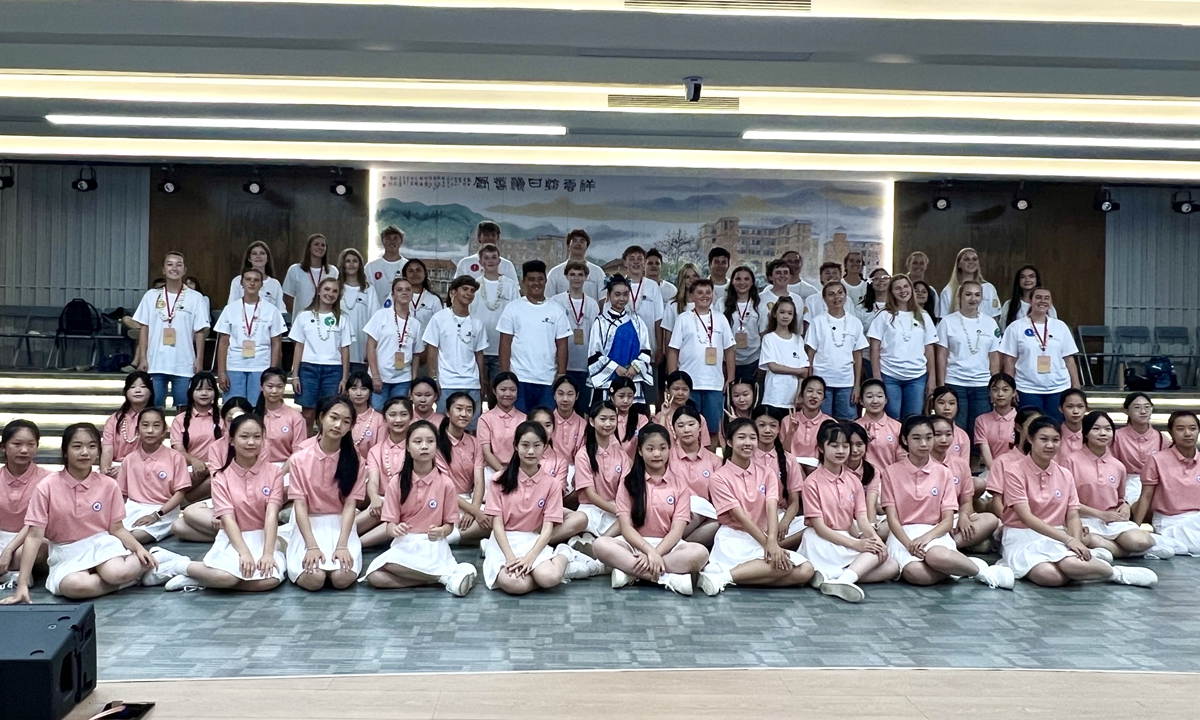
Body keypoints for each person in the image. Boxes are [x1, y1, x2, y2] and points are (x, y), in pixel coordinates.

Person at [1, 424, 156, 603]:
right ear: (65, 451)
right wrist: (21, 585)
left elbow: (117, 528)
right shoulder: (47, 486)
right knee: (74, 587)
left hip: (101, 543)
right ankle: (130, 581)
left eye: (91, 446)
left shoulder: (109, 485)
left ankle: (148, 560)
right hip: (65, 550)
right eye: (77, 446)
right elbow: (34, 536)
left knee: (116, 572)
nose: (85, 452)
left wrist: (139, 548)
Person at [1001, 417, 1157, 588]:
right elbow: (1026, 518)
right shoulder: (1014, 472)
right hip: (1022, 535)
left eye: (1055, 440)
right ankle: (1096, 568)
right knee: (1050, 577)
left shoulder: (1064, 474)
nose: (1050, 445)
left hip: (1057, 532)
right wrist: (1068, 540)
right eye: (1043, 439)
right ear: (1030, 439)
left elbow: (1073, 514)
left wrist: (1076, 542)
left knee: (1071, 564)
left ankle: (1117, 574)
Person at [156, 414, 287, 593]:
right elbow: (228, 519)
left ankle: (201, 579)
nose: (251, 442)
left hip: (263, 537)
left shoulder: (274, 473)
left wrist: (268, 553)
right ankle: (179, 566)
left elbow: (271, 514)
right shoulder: (221, 477)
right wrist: (245, 553)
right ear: (231, 440)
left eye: (257, 437)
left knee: (269, 580)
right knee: (227, 576)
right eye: (244, 436)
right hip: (233, 538)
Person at [883, 416, 1012, 588]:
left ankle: (982, 573)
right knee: (915, 573)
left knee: (935, 555)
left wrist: (926, 537)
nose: (924, 443)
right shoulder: (890, 473)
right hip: (902, 535)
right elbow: (892, 519)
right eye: (916, 438)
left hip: (934, 531)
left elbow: (948, 520)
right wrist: (909, 544)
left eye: (929, 437)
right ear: (905, 439)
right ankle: (963, 567)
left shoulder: (943, 473)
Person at [696, 418, 815, 595]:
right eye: (741, 437)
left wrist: (772, 541)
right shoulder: (719, 478)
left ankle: (726, 577)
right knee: (781, 567)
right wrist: (769, 545)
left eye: (752, 438)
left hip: (763, 536)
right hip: (735, 538)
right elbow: (740, 517)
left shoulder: (766, 473)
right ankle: (738, 575)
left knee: (806, 570)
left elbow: (771, 508)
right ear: (729, 441)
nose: (748, 443)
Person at [362, 420, 478, 595]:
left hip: (432, 544)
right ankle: (443, 578)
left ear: (436, 447)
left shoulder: (446, 483)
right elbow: (390, 525)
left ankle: (439, 576)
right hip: (405, 544)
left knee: (389, 566)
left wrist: (440, 532)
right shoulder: (397, 482)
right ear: (407, 447)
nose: (424, 446)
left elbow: (449, 525)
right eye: (418, 442)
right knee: (375, 577)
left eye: (430, 441)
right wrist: (396, 529)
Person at [482, 421, 600, 593]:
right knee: (514, 584)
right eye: (525, 445)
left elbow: (547, 529)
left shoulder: (551, 484)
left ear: (545, 447)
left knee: (549, 578)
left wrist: (530, 558)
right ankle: (539, 575)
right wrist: (510, 558)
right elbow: (497, 525)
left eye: (537, 445)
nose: (531, 451)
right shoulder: (499, 480)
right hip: (504, 541)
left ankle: (564, 554)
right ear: (515, 446)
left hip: (533, 539)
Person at [799, 421, 897, 602]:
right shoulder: (811, 483)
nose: (841, 450)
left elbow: (862, 519)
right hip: (821, 539)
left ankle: (838, 578)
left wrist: (875, 540)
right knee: (872, 556)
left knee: (891, 565)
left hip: (846, 537)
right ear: (821, 447)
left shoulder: (853, 481)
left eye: (845, 446)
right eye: (834, 445)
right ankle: (843, 577)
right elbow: (820, 528)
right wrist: (857, 545)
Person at [286, 396, 366, 591]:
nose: (338, 425)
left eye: (346, 421)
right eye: (334, 418)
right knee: (314, 580)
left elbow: (349, 505)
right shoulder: (299, 459)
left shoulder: (356, 461)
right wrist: (312, 546)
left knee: (341, 578)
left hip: (341, 526)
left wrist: (342, 545)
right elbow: (300, 505)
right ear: (321, 418)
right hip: (309, 526)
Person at [1065, 411, 1159, 559]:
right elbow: (1066, 501)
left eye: (1108, 429)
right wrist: (1101, 514)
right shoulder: (1070, 461)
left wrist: (1126, 505)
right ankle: (1125, 552)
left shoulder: (1118, 466)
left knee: (1142, 541)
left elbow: (1120, 498)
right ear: (1086, 433)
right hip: (1082, 518)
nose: (1103, 433)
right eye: (1096, 429)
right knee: (1087, 538)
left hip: (1112, 520)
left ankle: (1118, 550)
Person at [133, 252, 209, 408]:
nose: (174, 268)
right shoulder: (151, 296)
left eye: (178, 264)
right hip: (155, 362)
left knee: (183, 408)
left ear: (185, 269)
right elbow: (144, 328)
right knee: (153, 407)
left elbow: (200, 331)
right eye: (170, 264)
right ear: (163, 270)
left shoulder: (195, 298)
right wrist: (142, 357)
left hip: (184, 362)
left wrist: (199, 359)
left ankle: (181, 433)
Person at [667, 278, 734, 447]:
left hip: (714, 383)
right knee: (687, 427)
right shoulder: (683, 318)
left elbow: (729, 350)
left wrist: (730, 378)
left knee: (712, 429)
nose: (704, 296)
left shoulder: (720, 319)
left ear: (713, 295)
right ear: (692, 296)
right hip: (688, 383)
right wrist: (673, 379)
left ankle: (709, 463)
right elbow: (673, 350)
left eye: (708, 292)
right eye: (700, 292)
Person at [498, 260, 571, 413]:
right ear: (524, 281)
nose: (536, 283)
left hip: (547, 381)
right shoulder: (513, 308)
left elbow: (562, 345)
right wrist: (506, 376)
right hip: (519, 380)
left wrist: (561, 375)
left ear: (545, 281)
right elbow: (505, 343)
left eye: (540, 279)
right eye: (531, 280)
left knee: (544, 425)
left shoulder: (556, 310)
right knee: (519, 425)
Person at [935, 281, 1001, 447]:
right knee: (957, 428)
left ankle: (974, 468)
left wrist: (995, 386)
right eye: (968, 294)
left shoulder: (990, 323)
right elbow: (941, 355)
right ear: (960, 296)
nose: (973, 299)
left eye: (977, 295)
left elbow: (994, 357)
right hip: (955, 382)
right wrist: (941, 386)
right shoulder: (948, 322)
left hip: (982, 383)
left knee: (978, 429)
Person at [999, 286, 1080, 421]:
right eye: (1038, 297)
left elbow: (1069, 359)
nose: (1042, 301)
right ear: (1030, 301)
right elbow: (1009, 360)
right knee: (1030, 428)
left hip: (1058, 387)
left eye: (1046, 298)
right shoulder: (1016, 327)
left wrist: (1076, 385)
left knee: (1056, 428)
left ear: (1051, 302)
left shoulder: (1060, 326)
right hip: (1027, 388)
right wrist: (1010, 388)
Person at [868, 275, 937, 420]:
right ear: (891, 292)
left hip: (917, 376)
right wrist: (877, 377)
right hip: (889, 374)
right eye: (897, 288)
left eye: (906, 286)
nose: (903, 291)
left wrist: (932, 379)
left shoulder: (923, 316)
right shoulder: (883, 316)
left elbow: (929, 350)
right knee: (892, 417)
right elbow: (874, 349)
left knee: (913, 418)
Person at [116, 407, 189, 545]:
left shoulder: (175, 457)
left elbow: (180, 493)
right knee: (114, 534)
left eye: (156, 426)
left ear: (164, 431)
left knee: (137, 536)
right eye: (145, 425)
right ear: (137, 430)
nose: (150, 430)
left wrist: (156, 515)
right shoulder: (129, 459)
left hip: (163, 510)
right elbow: (122, 494)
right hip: (134, 507)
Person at [1133, 410, 1200, 555]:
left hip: (1197, 521)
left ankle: (1163, 544)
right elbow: (1146, 496)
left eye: (1193, 428)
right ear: (1171, 432)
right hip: (1169, 521)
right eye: (1180, 429)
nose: (1187, 433)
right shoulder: (1157, 460)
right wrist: (1133, 531)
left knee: (1181, 547)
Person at [215, 268, 285, 405]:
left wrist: (272, 372)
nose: (252, 283)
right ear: (241, 283)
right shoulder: (230, 309)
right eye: (248, 279)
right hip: (234, 366)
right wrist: (222, 372)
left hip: (261, 366)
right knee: (234, 408)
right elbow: (223, 342)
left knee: (258, 408)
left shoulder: (272, 310)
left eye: (256, 280)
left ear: (261, 284)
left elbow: (276, 344)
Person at [423, 276, 488, 423]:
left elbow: (479, 355)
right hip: (447, 383)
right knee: (443, 426)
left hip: (472, 384)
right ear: (453, 292)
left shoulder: (477, 323)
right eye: (465, 289)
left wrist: (482, 381)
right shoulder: (439, 318)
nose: (469, 294)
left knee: (471, 428)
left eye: (472, 291)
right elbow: (432, 350)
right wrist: (434, 379)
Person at [289, 277, 353, 427]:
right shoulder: (304, 316)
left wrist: (344, 378)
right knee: (308, 412)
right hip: (308, 368)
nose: (330, 293)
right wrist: (295, 375)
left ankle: (326, 445)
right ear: (318, 291)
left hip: (333, 370)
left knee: (330, 411)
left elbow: (345, 349)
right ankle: (305, 445)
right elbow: (299, 346)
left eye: (335, 291)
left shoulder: (343, 318)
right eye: (327, 289)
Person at [929, 416, 999, 550]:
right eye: (937, 435)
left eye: (948, 434)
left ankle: (948, 545)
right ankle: (948, 545)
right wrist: (944, 523)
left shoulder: (960, 464)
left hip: (955, 517)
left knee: (990, 520)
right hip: (929, 520)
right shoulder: (921, 464)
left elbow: (966, 501)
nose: (944, 440)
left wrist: (964, 516)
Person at [805, 282, 867, 420]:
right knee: (821, 421)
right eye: (831, 294)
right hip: (821, 381)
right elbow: (810, 354)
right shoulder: (817, 321)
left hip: (846, 382)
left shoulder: (855, 322)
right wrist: (809, 382)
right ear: (825, 298)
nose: (836, 297)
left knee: (847, 422)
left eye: (840, 292)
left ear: (845, 296)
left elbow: (858, 356)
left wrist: (857, 386)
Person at [570, 400, 626, 553]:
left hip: (615, 507)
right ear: (592, 421)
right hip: (591, 509)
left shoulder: (621, 455)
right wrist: (617, 510)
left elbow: (624, 488)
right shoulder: (583, 455)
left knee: (630, 518)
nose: (608, 423)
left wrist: (620, 509)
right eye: (603, 419)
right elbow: (590, 494)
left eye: (612, 419)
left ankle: (598, 545)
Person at [587, 275, 653, 403]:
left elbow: (646, 350)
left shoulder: (637, 322)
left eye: (625, 294)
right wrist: (615, 367)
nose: (621, 299)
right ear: (609, 295)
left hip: (632, 379)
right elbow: (594, 354)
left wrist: (635, 367)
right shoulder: (600, 322)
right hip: (607, 381)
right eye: (617, 294)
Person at [355, 397, 411, 548]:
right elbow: (373, 480)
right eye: (392, 414)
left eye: (403, 414)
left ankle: (356, 545)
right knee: (380, 506)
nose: (398, 419)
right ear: (385, 418)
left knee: (392, 510)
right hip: (383, 502)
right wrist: (373, 497)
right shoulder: (376, 450)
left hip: (410, 503)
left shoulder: (416, 446)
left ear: (411, 418)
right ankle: (344, 538)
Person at [0, 421, 50, 583]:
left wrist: (9, 549)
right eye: (17, 444)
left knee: (41, 547)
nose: (24, 450)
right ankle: (15, 573)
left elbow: (37, 523)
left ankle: (12, 572)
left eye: (30, 444)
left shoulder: (48, 480)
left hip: (29, 538)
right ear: (3, 447)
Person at [365, 277, 425, 409]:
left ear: (412, 294)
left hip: (403, 379)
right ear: (393, 295)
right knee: (377, 414)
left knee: (398, 413)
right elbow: (370, 346)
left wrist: (413, 382)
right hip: (381, 377)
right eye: (399, 290)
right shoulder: (381, 315)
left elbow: (416, 355)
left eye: (408, 290)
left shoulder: (416, 324)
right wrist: (375, 376)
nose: (404, 292)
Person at [750, 406, 805, 550]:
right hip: (752, 517)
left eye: (773, 426)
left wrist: (784, 523)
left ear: (779, 428)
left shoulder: (789, 459)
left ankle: (766, 547)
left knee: (809, 525)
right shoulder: (746, 456)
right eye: (761, 425)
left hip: (779, 515)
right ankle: (771, 548)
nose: (767, 430)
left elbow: (794, 502)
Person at [437, 393, 487, 545]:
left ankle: (451, 538)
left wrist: (475, 508)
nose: (464, 414)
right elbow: (445, 487)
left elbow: (479, 481)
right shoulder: (437, 443)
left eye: (469, 410)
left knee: (499, 516)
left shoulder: (474, 442)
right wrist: (475, 512)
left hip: (469, 501)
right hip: (445, 500)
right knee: (487, 521)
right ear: (447, 412)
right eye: (459, 409)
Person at [469, 244, 520, 389]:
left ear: (499, 261)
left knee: (500, 391)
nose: (490, 261)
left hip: (501, 350)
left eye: (494, 257)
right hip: (478, 349)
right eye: (486, 258)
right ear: (480, 262)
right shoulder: (474, 286)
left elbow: (516, 315)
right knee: (477, 389)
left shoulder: (510, 286)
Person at [551, 261, 601, 411]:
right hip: (562, 364)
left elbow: (596, 335)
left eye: (580, 275)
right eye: (572, 274)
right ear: (566, 276)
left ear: (586, 277)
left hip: (584, 363)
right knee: (561, 404)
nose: (576, 278)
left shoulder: (592, 304)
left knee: (583, 406)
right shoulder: (556, 301)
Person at [668, 405, 720, 546]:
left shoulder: (714, 460)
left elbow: (719, 495)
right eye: (680, 425)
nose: (686, 430)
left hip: (706, 515)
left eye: (691, 424)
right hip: (673, 511)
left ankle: (673, 547)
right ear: (673, 430)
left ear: (700, 427)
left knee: (718, 524)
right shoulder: (667, 457)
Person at [621, 246, 665, 404]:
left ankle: (650, 423)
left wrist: (660, 347)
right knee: (625, 395)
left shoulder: (652, 286)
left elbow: (659, 319)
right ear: (625, 262)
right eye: (631, 259)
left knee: (650, 397)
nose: (636, 262)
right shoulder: (618, 285)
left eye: (639, 259)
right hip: (624, 352)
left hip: (649, 350)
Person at [1111, 392, 1164, 505]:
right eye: (1137, 407)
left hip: (1155, 482)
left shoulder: (1161, 438)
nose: (1143, 411)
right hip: (1127, 481)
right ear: (1126, 411)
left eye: (1147, 407)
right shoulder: (1116, 437)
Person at [100, 371, 154, 477]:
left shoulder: (155, 418)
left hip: (144, 467)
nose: (138, 390)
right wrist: (105, 472)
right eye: (132, 387)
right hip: (115, 467)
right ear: (126, 392)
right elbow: (107, 449)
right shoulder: (114, 419)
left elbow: (153, 451)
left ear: (151, 391)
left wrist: (127, 468)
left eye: (143, 386)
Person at [758, 297, 808, 411]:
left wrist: (799, 394)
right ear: (775, 314)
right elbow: (773, 366)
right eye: (782, 312)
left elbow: (803, 371)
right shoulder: (769, 338)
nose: (786, 316)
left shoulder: (798, 339)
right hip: (774, 397)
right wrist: (796, 371)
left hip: (793, 398)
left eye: (790, 313)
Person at [337, 248, 380, 374]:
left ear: (360, 265)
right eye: (348, 261)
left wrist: (371, 349)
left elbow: (375, 320)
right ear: (343, 264)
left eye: (355, 261)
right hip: (338, 347)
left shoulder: (368, 289)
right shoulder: (336, 287)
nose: (351, 264)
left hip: (361, 347)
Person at [478, 372, 526, 477]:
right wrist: (503, 472)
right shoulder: (485, 419)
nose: (508, 394)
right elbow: (486, 452)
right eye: (503, 390)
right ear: (494, 391)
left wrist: (514, 473)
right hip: (491, 471)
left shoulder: (525, 419)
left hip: (520, 471)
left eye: (512, 390)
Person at [256, 368, 308, 462]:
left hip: (286, 467)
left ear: (284, 387)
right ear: (261, 387)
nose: (274, 391)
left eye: (279, 386)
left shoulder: (295, 417)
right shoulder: (253, 416)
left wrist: (280, 473)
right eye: (270, 386)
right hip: (256, 467)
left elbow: (298, 452)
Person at [722, 266, 763, 383]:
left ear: (752, 282)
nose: (742, 282)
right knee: (729, 397)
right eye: (738, 279)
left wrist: (762, 363)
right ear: (732, 282)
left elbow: (764, 335)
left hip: (753, 360)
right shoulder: (721, 304)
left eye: (746, 279)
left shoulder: (760, 305)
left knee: (749, 398)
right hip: (728, 360)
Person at [282, 233, 339, 316]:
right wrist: (299, 315)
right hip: (302, 318)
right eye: (316, 244)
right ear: (309, 248)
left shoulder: (332, 271)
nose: (320, 247)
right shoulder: (295, 270)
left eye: (323, 245)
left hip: (325, 317)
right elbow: (288, 297)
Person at [855, 378, 905, 469]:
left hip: (890, 479)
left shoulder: (897, 427)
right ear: (861, 401)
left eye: (879, 396)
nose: (875, 401)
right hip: (862, 479)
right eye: (869, 397)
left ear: (886, 400)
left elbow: (902, 459)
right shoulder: (854, 427)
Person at [938, 248, 1001, 318]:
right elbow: (943, 318)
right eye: (966, 259)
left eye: (974, 259)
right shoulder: (948, 291)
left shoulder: (989, 288)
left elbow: (995, 316)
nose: (971, 262)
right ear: (959, 264)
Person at [546, 229, 606, 302]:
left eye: (582, 241)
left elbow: (603, 299)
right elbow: (548, 299)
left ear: (587, 246)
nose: (578, 244)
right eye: (574, 241)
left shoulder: (598, 272)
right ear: (568, 246)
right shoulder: (555, 273)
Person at [975, 373, 1018, 472]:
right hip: (992, 472)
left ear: (1014, 393)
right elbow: (986, 454)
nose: (1000, 394)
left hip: (1019, 471)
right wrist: (996, 475)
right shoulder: (981, 420)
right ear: (989, 393)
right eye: (995, 390)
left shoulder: (1022, 419)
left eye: (1005, 390)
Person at [227, 241, 286, 311]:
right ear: (249, 258)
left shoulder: (275, 284)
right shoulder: (237, 281)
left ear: (267, 258)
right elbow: (231, 307)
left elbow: (281, 310)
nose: (258, 256)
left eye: (262, 253)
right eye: (254, 254)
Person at [454, 221, 519, 283]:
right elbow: (456, 288)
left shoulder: (507, 265)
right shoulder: (465, 263)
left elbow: (515, 289)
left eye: (493, 235)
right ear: (479, 237)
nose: (490, 238)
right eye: (486, 235)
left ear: (498, 237)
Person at [1000, 264, 1058, 331]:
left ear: (1037, 280)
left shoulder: (1045, 305)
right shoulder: (1009, 304)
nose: (1027, 280)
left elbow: (1054, 327)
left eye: (1031, 276)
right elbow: (1003, 328)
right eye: (1022, 277)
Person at [343, 371, 384, 460]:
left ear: (370, 392)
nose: (358, 393)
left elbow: (380, 451)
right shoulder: (341, 416)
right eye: (354, 388)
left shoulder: (379, 419)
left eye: (364, 389)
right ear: (347, 392)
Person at [365, 225, 409, 307]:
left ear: (401, 241)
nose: (392, 241)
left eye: (395, 238)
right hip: (377, 313)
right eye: (388, 238)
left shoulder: (407, 266)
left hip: (402, 312)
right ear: (383, 241)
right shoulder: (371, 267)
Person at [928, 386, 971, 460]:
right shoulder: (925, 431)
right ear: (933, 405)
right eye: (941, 403)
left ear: (957, 406)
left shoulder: (962, 435)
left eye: (951, 403)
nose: (947, 408)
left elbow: (964, 467)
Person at [550, 376, 586, 461]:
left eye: (570, 394)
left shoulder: (583, 424)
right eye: (560, 394)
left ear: (577, 396)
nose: (565, 399)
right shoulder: (547, 421)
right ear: (554, 395)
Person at [402, 258, 444, 330]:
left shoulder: (434, 300)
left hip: (426, 341)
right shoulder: (396, 296)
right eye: (410, 271)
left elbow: (441, 325)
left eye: (418, 270)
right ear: (405, 275)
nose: (415, 273)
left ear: (425, 274)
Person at [1057, 389, 1090, 460]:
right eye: (1070, 406)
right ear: (1061, 409)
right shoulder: (1055, 434)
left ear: (1086, 408)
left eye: (1080, 406)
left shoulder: (1092, 435)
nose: (1075, 411)